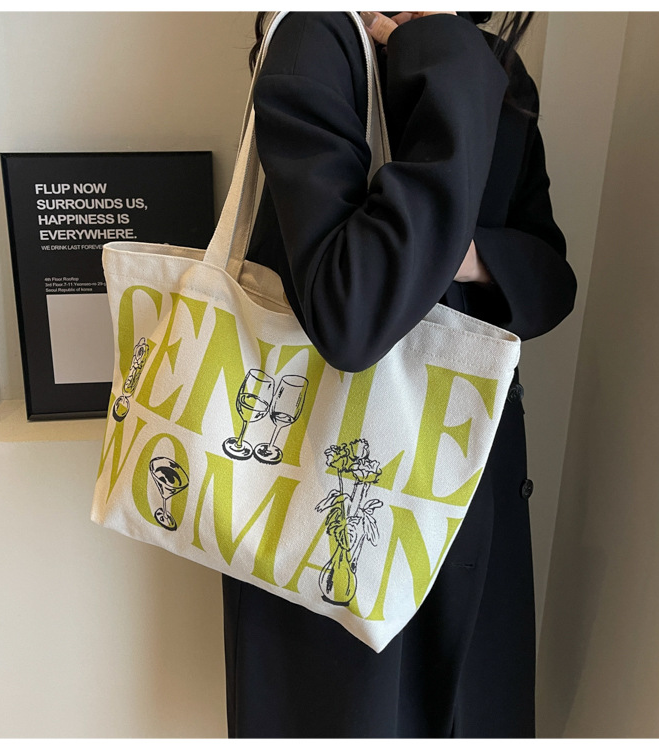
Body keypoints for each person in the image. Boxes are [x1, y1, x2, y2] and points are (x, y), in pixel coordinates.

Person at [220, 10, 577, 738]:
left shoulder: (492, 64)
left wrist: (462, 256)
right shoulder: (317, 37)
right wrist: (446, 63)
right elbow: (353, 313)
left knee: (469, 709)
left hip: (467, 476)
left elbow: (549, 284)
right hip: (331, 492)